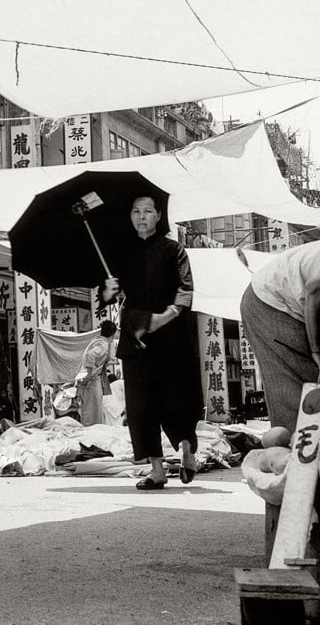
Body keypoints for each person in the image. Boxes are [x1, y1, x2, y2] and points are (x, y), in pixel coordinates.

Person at [101, 195, 202, 490]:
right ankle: (157, 471)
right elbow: (109, 295)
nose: (141, 216)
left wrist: (165, 316)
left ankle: (186, 449)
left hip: (171, 334)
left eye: (147, 211)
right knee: (140, 405)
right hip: (136, 334)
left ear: (159, 216)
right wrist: (108, 289)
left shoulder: (174, 250)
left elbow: (186, 289)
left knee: (175, 398)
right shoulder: (121, 253)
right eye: (135, 211)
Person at [239, 235, 320, 433]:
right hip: (273, 299)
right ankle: (298, 457)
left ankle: (311, 454)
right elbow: (316, 288)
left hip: (285, 303)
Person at [74, 320, 117, 426]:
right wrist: (89, 373)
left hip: (92, 381)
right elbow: (90, 355)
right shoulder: (103, 344)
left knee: (93, 411)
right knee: (92, 413)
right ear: (112, 334)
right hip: (92, 381)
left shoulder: (98, 340)